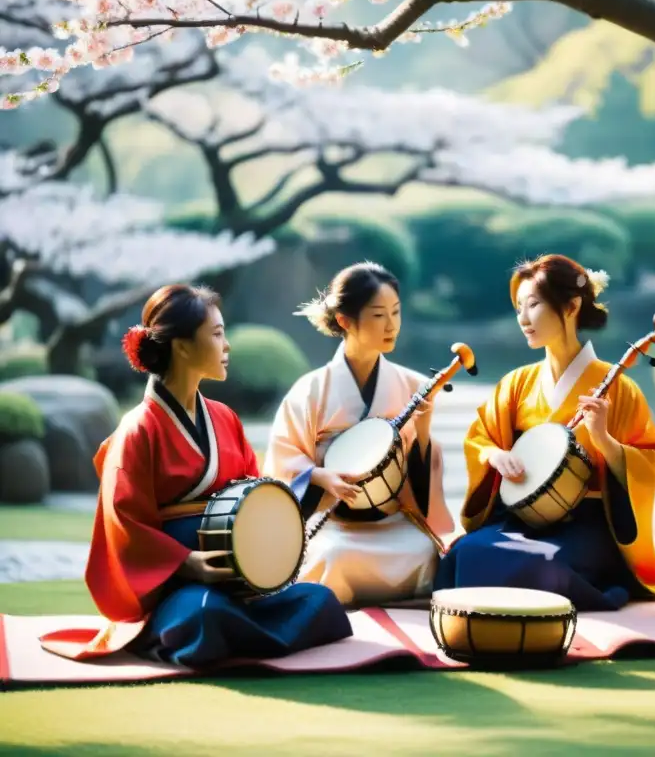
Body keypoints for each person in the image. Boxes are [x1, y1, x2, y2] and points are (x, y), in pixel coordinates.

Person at [39, 285, 352, 667]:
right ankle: (198, 632)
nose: (228, 346)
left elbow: (255, 496)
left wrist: (305, 493)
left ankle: (230, 637)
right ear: (183, 346)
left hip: (235, 579)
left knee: (321, 601)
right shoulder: (138, 429)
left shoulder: (224, 417)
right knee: (203, 614)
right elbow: (124, 527)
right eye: (218, 334)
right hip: (175, 586)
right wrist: (188, 563)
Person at [433, 254, 655, 611]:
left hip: (587, 523)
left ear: (572, 306)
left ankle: (602, 588)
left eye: (533, 305)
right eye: (518, 308)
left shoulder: (619, 388)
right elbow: (480, 438)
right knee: (466, 552)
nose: (523, 319)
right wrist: (494, 455)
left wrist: (605, 440)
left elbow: (649, 463)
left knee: (544, 565)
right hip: (522, 515)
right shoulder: (517, 383)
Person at [262, 261, 453, 607]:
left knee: (425, 551)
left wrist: (422, 429)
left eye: (396, 312)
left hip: (392, 521)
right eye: (379, 315)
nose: (392, 325)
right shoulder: (311, 391)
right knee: (335, 557)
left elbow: (422, 478)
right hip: (336, 523)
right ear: (345, 321)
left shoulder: (411, 385)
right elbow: (282, 462)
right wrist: (319, 476)